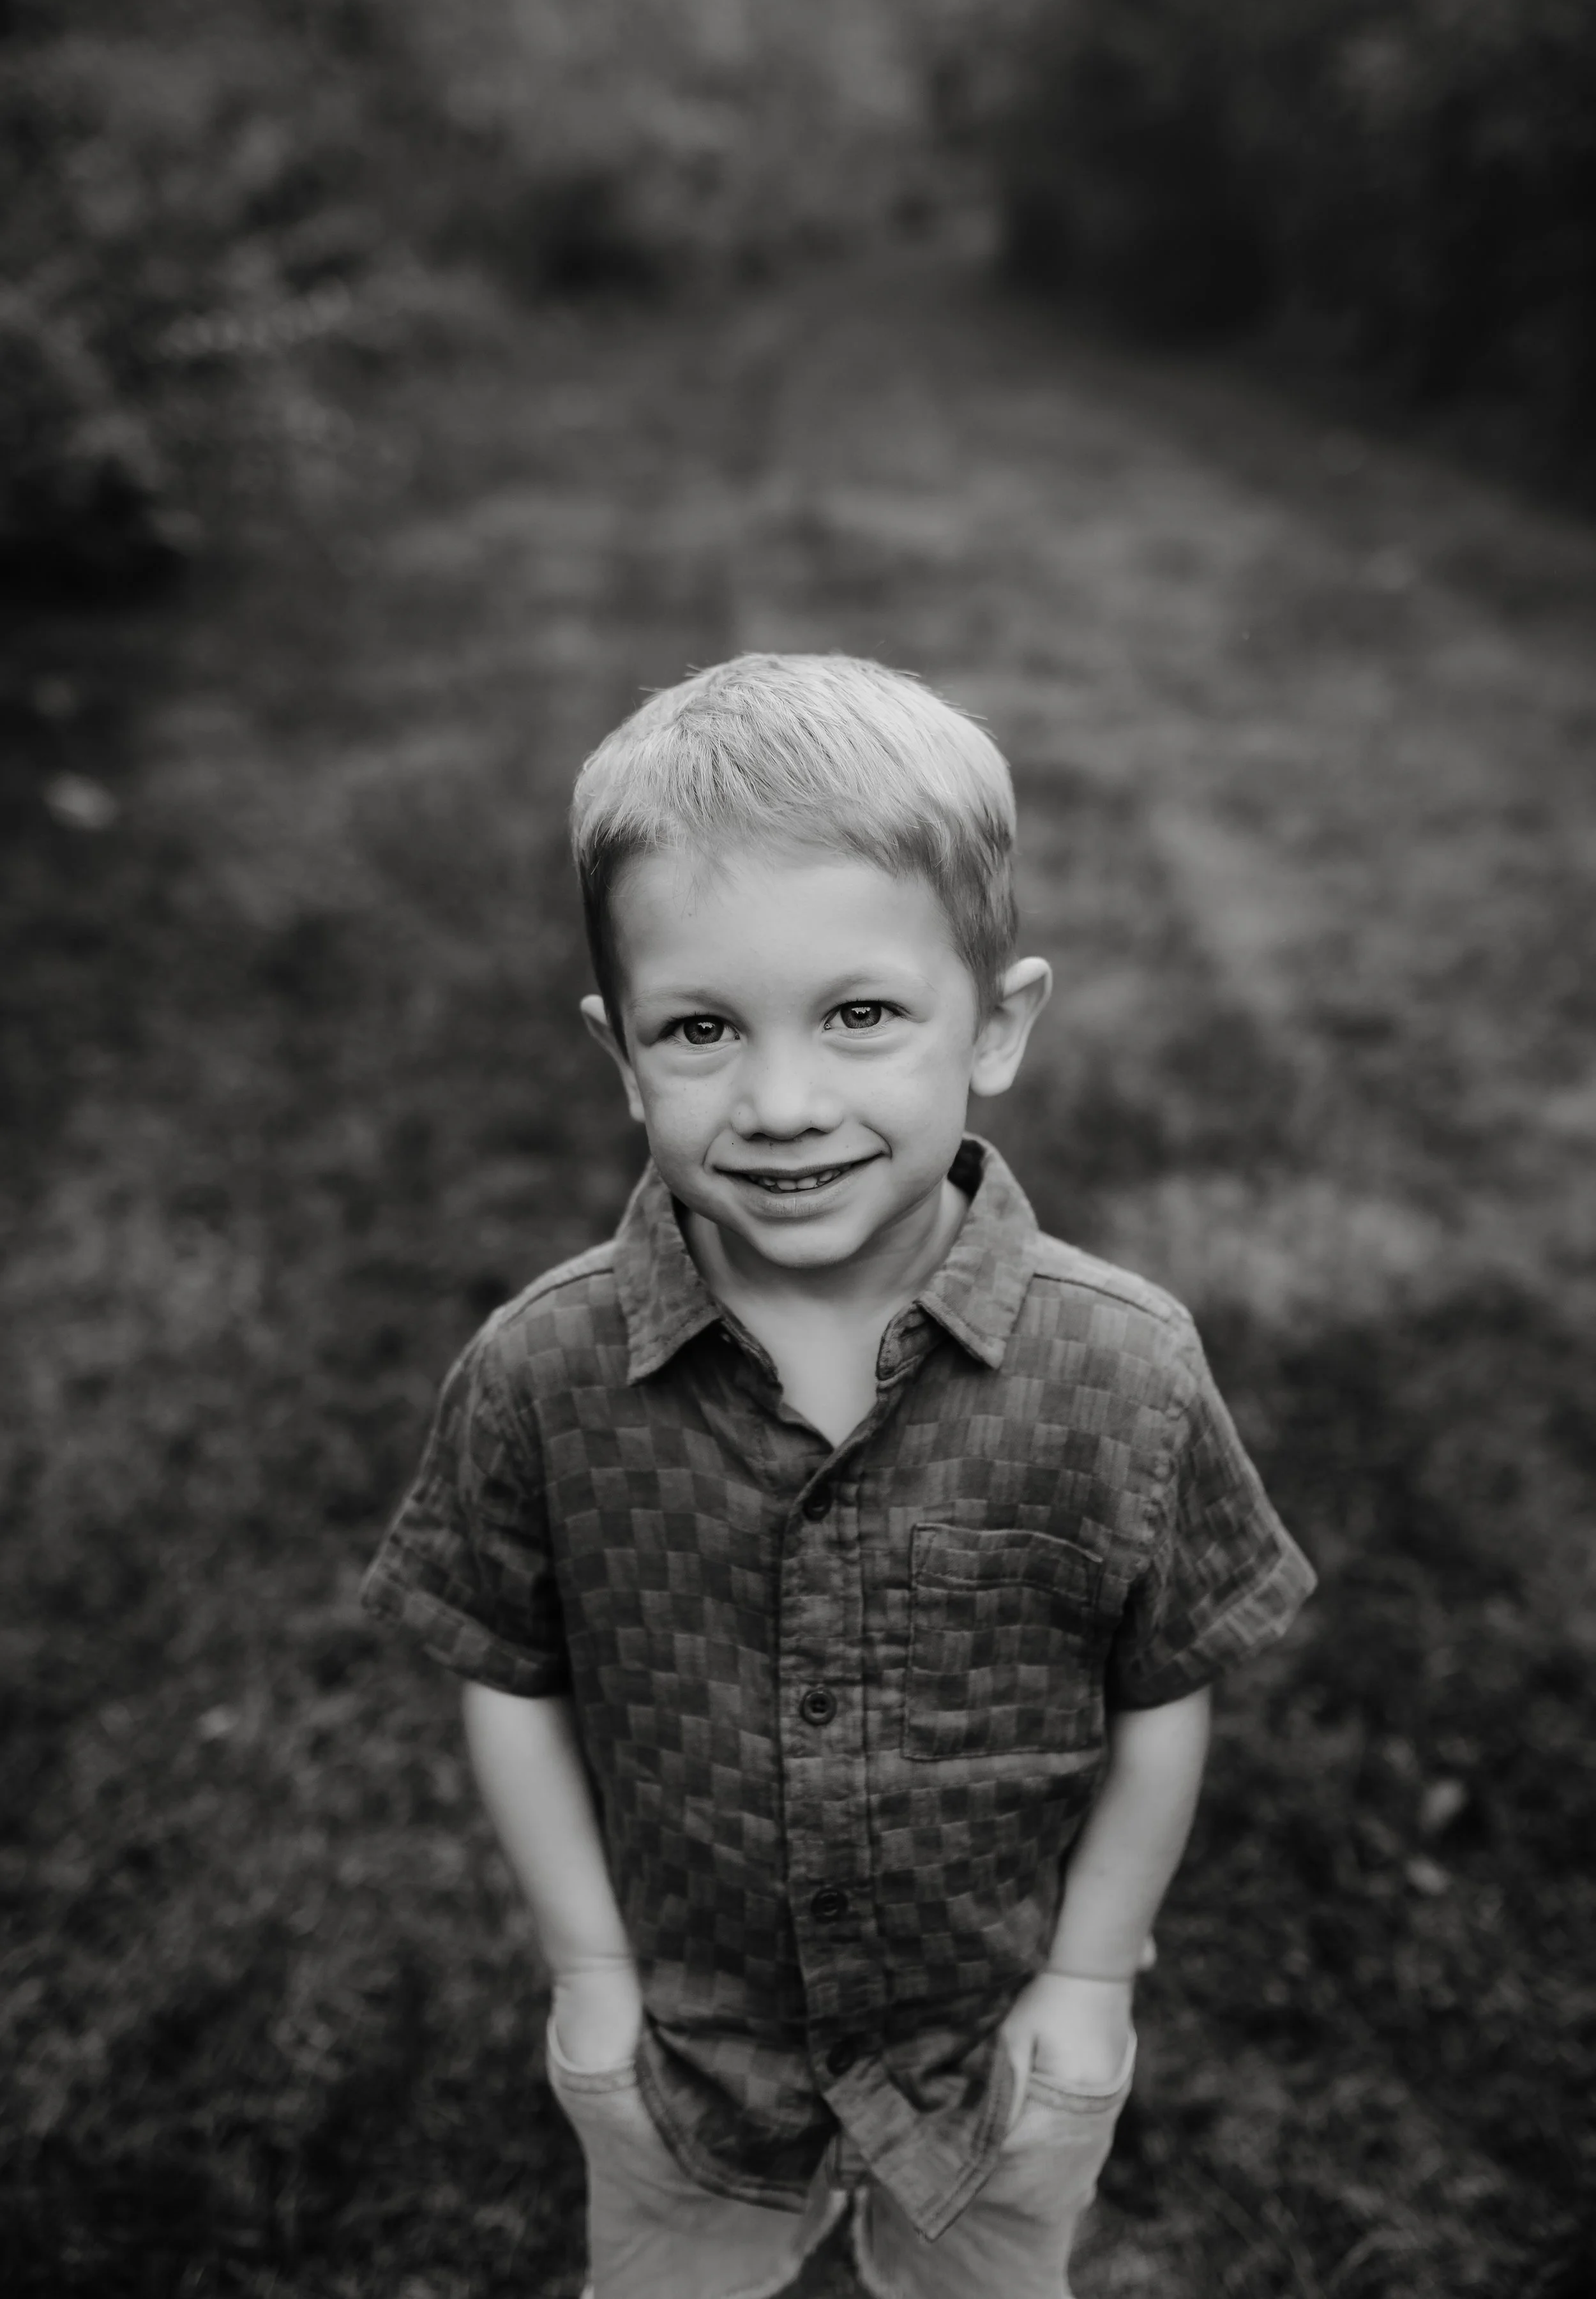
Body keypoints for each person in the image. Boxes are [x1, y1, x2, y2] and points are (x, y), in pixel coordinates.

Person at [361, 652, 1315, 2299]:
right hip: (687, 2046)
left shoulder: (1122, 1369)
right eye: (704, 1029)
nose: (783, 1103)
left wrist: (1090, 1976)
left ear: (996, 1024)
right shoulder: (543, 1371)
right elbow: (507, 1670)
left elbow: (1166, 1683)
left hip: (999, 2042)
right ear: (620, 1054)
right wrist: (590, 1968)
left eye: (862, 1015)